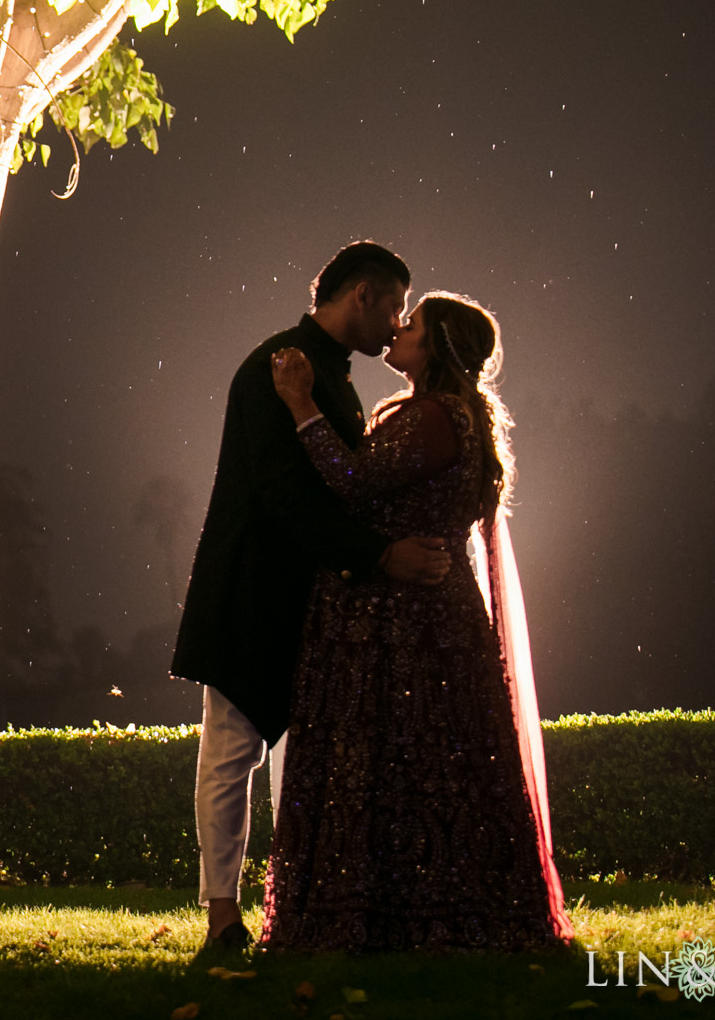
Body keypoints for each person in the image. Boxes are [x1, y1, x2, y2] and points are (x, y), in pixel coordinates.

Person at [259, 291, 573, 951]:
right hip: (426, 616)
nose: (397, 330)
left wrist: (300, 403)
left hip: (405, 623)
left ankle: (395, 919)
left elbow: (352, 479)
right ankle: (422, 910)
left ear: (435, 349)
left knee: (401, 760)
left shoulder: (437, 416)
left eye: (414, 324)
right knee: (425, 765)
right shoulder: (452, 416)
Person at [171, 242, 453, 962]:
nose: (395, 325)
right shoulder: (280, 367)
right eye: (392, 305)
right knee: (232, 751)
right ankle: (223, 918)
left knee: (299, 761)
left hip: (316, 596)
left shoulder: (326, 372)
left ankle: (291, 912)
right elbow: (284, 494)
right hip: (255, 589)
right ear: (360, 294)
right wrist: (381, 554)